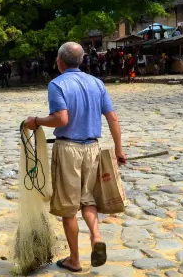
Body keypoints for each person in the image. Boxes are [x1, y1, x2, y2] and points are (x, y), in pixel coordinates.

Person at [24, 42, 125, 273]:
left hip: (68, 149)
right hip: (92, 149)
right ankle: (96, 236)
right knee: (87, 199)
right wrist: (119, 149)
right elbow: (112, 118)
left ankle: (75, 260)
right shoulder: (96, 83)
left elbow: (61, 119)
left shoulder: (57, 84)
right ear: (81, 61)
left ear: (60, 61)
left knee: (68, 207)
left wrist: (36, 121)